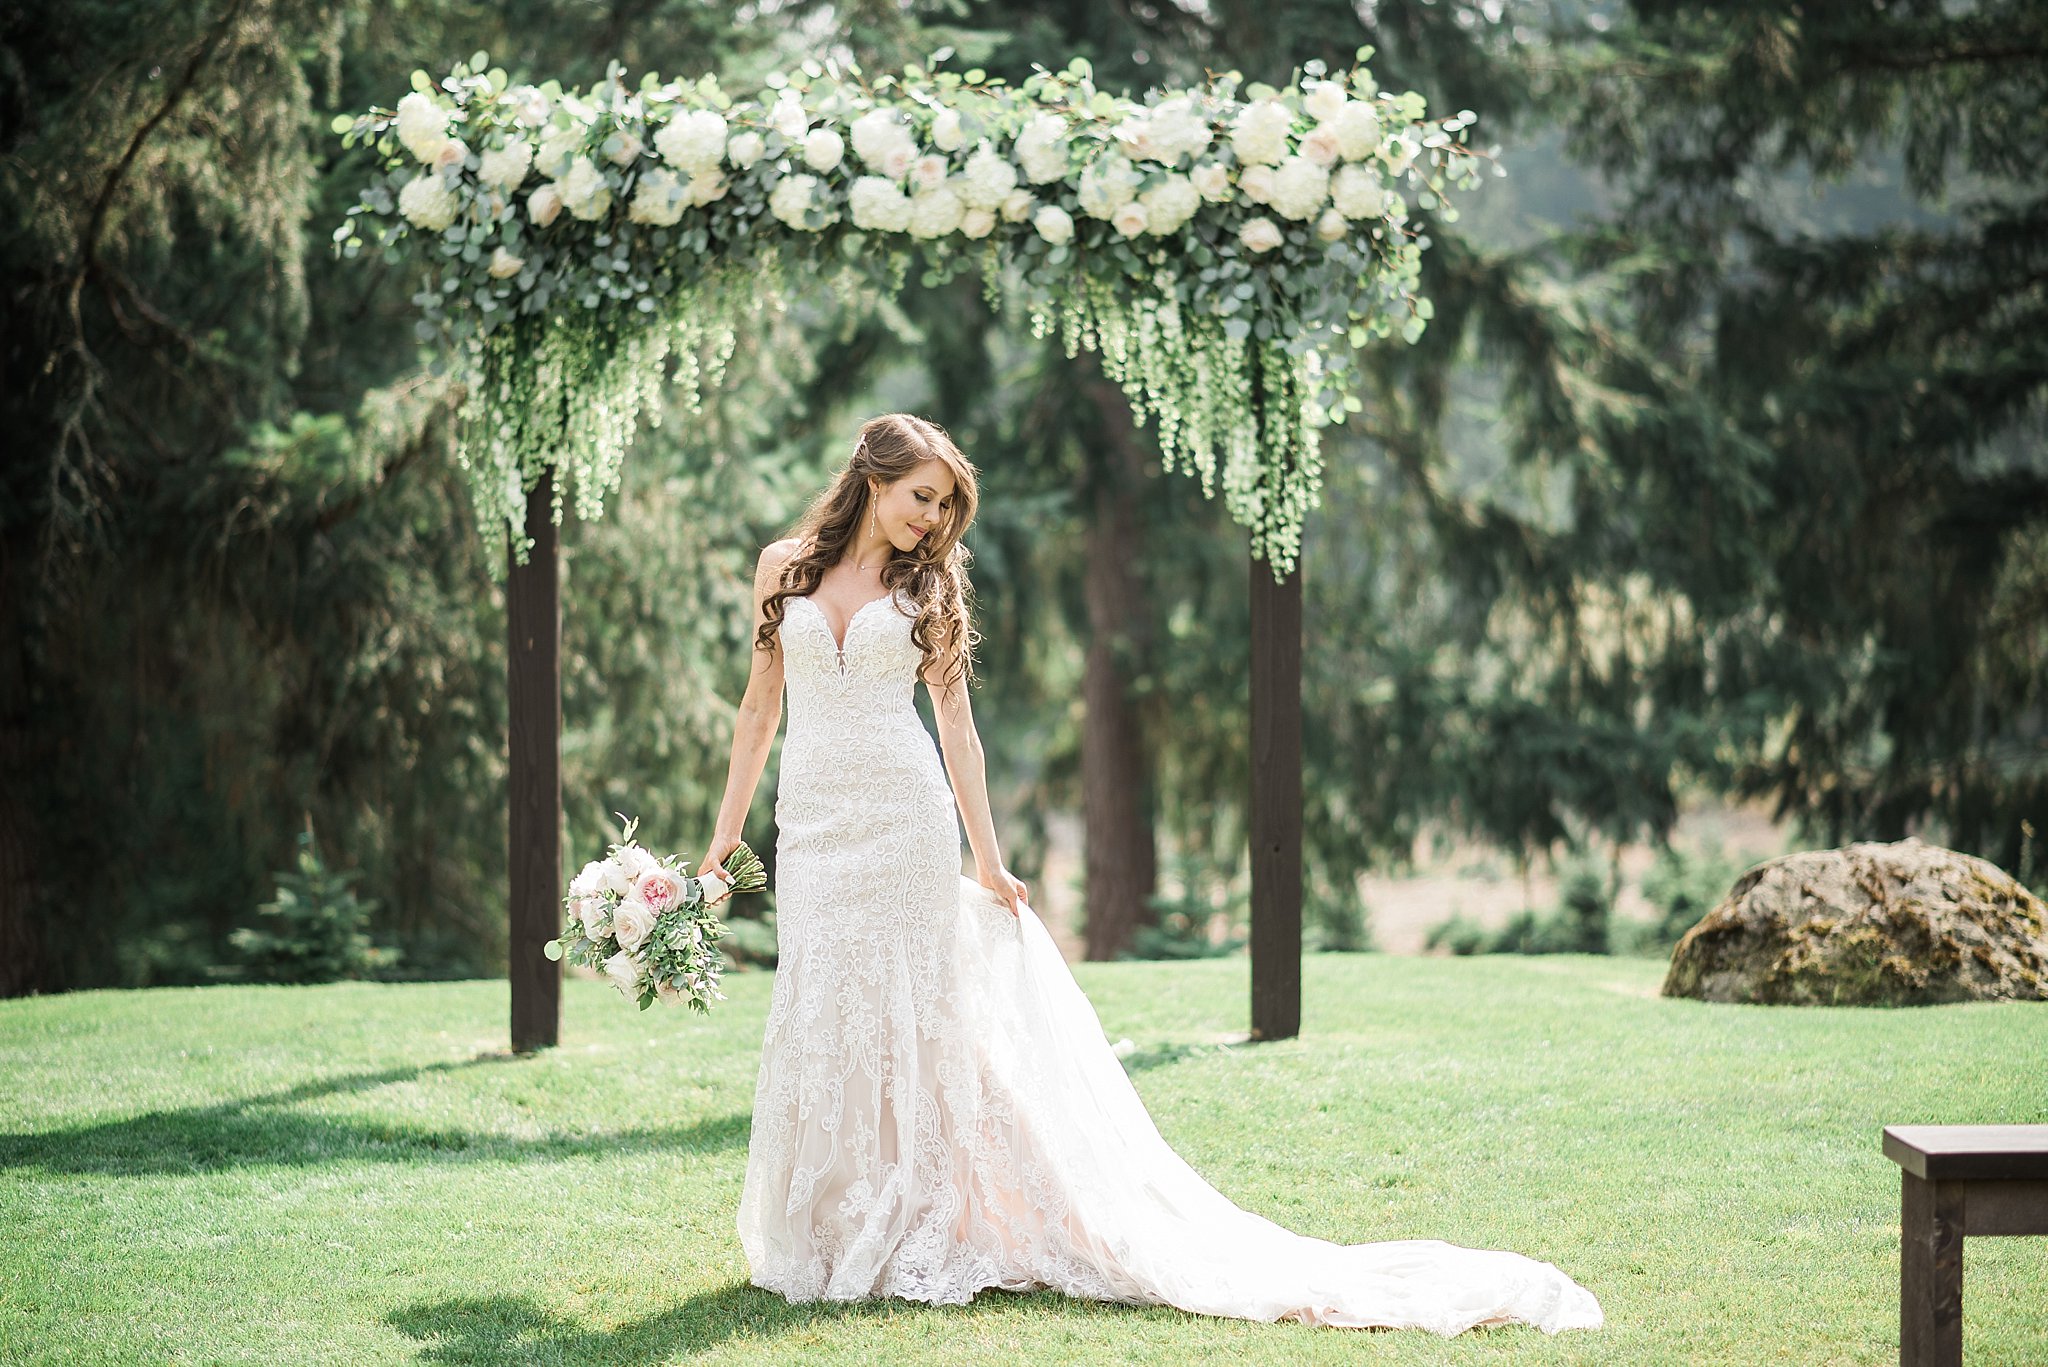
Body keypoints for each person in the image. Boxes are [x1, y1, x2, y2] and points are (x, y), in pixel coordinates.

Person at [697, 411, 1604, 1336]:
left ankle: (907, 1218)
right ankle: (829, 1221)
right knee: (824, 1010)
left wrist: (991, 858)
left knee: (909, 1017)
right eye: (920, 498)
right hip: (811, 830)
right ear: (873, 478)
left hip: (904, 825)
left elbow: (957, 727)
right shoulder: (787, 568)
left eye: (942, 505)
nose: (931, 520)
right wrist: (725, 845)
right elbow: (759, 708)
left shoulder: (923, 583)